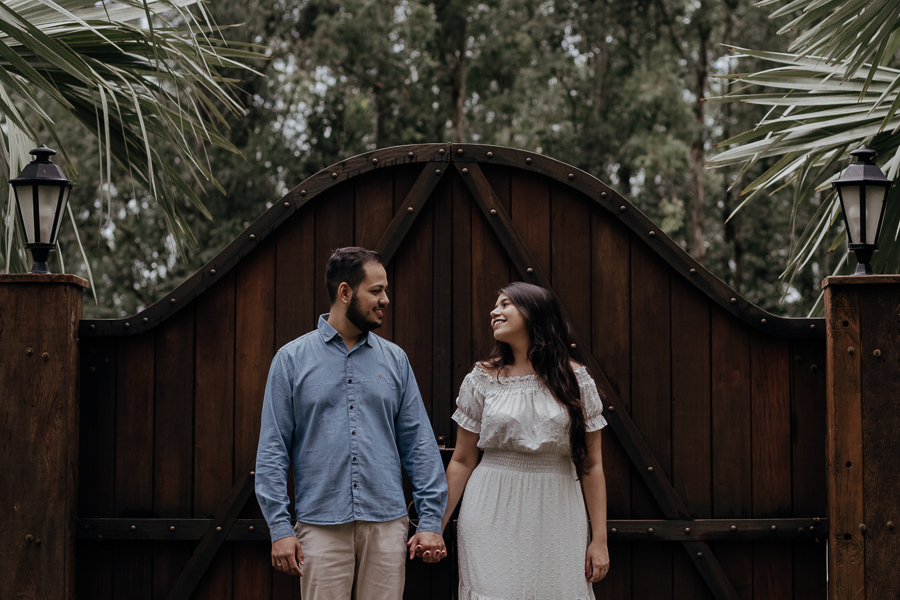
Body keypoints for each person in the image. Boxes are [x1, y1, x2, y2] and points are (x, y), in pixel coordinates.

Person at [255, 247, 448, 600]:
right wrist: (280, 528)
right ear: (345, 292)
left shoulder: (395, 360)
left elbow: (419, 444)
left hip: (387, 525)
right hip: (320, 524)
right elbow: (272, 450)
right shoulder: (291, 361)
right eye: (376, 291)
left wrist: (432, 521)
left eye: (385, 290)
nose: (385, 299)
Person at [442, 281, 610, 600]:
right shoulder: (481, 379)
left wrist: (599, 539)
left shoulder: (576, 380)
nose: (495, 311)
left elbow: (593, 465)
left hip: (558, 506)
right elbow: (462, 460)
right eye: (496, 305)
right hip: (490, 505)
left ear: (534, 314)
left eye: (505, 304)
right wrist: (435, 525)